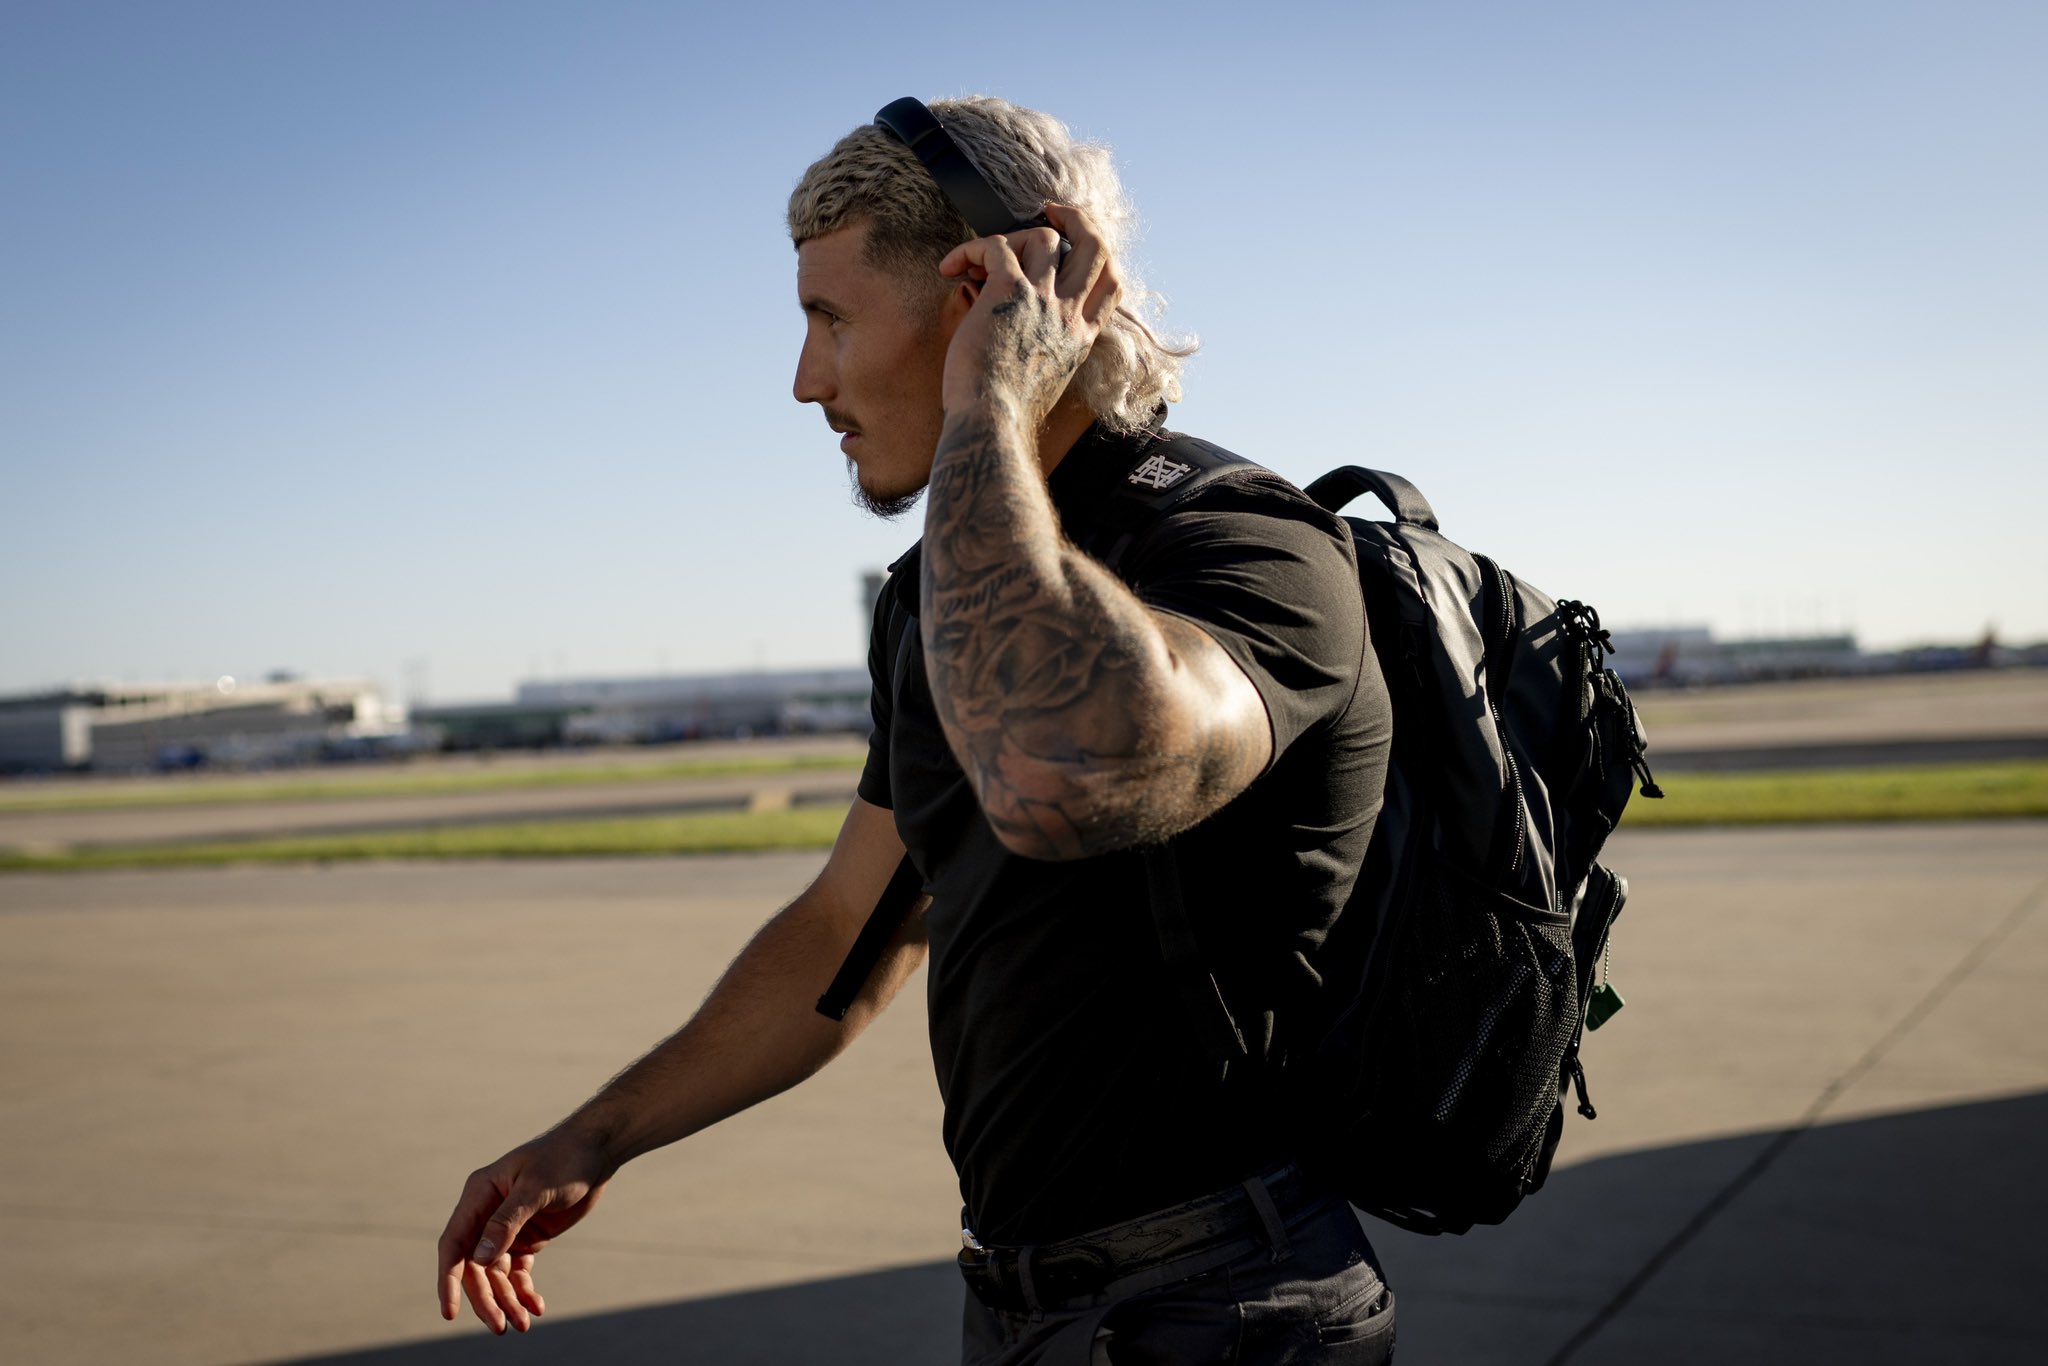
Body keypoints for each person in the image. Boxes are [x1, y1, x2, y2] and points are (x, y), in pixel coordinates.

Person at [435, 95, 1396, 1364]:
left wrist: (992, 395)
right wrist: (593, 1133)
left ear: (980, 287)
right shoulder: (936, 595)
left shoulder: (1244, 546)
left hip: (1224, 1294)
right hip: (1020, 1300)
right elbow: (849, 928)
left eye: (828, 320)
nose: (803, 381)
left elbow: (1063, 767)